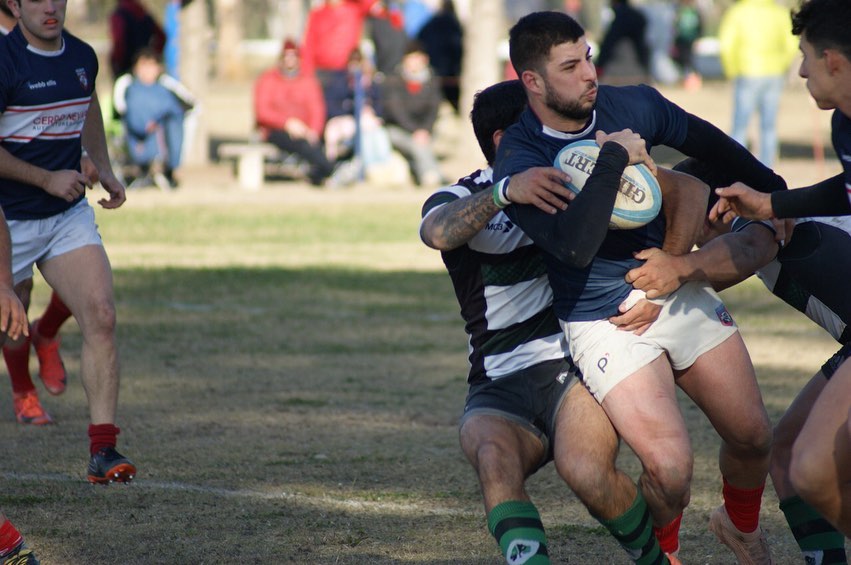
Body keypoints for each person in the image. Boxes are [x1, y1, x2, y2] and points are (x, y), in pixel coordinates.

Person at [494, 11, 789, 563]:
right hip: (605, 320)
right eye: (570, 65)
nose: (589, 73)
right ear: (532, 82)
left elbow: (711, 144)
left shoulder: (631, 105)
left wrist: (776, 198)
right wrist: (614, 158)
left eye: (587, 55)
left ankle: (740, 525)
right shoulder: (523, 156)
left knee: (753, 436)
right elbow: (573, 246)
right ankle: (666, 554)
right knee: (671, 469)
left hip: (671, 287)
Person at [421, 79, 710, 565]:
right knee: (493, 456)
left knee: (589, 473)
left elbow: (686, 191)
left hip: (572, 368)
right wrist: (506, 191)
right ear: (503, 140)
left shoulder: (586, 181)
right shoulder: (465, 194)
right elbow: (436, 231)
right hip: (497, 381)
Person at [629, 156, 850, 564]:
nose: (684, 235)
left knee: (796, 451)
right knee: (786, 449)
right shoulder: (781, 214)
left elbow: (740, 255)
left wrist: (671, 274)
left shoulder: (756, 227)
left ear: (718, 205)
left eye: (682, 214)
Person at [711, 0, 851, 538]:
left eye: (806, 57)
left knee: (811, 465)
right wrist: (775, 203)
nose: (799, 71)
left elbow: (737, 259)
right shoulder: (845, 122)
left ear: (834, 61)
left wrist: (676, 269)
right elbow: (847, 189)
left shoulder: (751, 242)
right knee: (797, 459)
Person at [0, 0, 136, 484]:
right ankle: (24, 383)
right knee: (10, 329)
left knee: (101, 313)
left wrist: (103, 165)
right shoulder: (4, 60)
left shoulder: (82, 56)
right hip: (8, 220)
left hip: (65, 215)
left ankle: (104, 450)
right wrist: (44, 179)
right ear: (14, 5)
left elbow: (88, 104)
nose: (49, 6)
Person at [0, 0, 74, 430]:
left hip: (58, 190)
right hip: (11, 199)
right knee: (16, 300)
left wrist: (85, 155)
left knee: (89, 286)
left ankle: (46, 331)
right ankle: (23, 392)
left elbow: (70, 101)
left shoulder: (55, 41)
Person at [718, 0, 799, 167]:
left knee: (740, 125)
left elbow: (726, 44)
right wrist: (782, 64)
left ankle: (735, 166)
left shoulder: (738, 12)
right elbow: (791, 44)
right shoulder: (779, 12)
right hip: (774, 73)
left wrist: (731, 70)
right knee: (769, 126)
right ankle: (766, 169)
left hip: (747, 71)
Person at [253, 39, 335, 187]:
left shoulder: (308, 81)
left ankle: (323, 171)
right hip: (276, 130)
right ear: (281, 58)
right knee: (301, 144)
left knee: (310, 143)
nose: (289, 60)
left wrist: (313, 130)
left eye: (293, 56)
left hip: (305, 131)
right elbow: (262, 112)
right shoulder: (268, 80)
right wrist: (287, 123)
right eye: (286, 56)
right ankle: (328, 169)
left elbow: (316, 109)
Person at [113, 47, 196, 190]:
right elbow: (130, 116)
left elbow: (188, 105)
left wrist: (159, 120)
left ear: (159, 68)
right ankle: (153, 170)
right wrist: (146, 124)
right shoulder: (131, 89)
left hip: (164, 137)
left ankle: (169, 168)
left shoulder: (165, 89)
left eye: (151, 66)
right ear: (135, 68)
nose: (147, 70)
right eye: (143, 66)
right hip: (139, 139)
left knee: (174, 122)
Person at [322, 49, 391, 185]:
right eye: (353, 62)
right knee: (334, 132)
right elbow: (332, 105)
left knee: (374, 132)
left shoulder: (372, 83)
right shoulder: (340, 81)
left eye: (359, 62)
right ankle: (329, 168)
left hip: (369, 124)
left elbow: (380, 107)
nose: (355, 66)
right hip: (345, 121)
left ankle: (375, 168)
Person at [380, 40, 445, 188]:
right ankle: (431, 175)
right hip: (398, 129)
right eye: (412, 58)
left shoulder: (431, 81)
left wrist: (425, 130)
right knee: (417, 144)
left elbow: (434, 109)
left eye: (418, 58)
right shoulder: (394, 81)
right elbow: (396, 112)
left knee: (420, 143)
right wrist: (415, 131)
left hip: (424, 131)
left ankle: (429, 174)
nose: (415, 62)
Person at [299, 0, 376, 110]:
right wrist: (307, 74)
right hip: (323, 73)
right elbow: (308, 45)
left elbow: (370, 3)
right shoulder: (318, 14)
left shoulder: (354, 10)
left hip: (347, 72)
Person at [416, 0, 463, 112]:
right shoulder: (454, 25)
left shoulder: (430, 23)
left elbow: (419, 39)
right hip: (450, 71)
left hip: (435, 69)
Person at [594, 0, 651, 86]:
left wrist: (599, 65)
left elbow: (609, 43)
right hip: (638, 66)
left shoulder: (620, 18)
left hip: (620, 68)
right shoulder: (638, 16)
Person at [109, 0, 166, 80]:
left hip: (127, 65)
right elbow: (161, 37)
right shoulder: (143, 13)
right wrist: (152, 57)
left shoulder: (120, 15)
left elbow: (119, 43)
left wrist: (116, 62)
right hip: (143, 65)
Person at [672, 0, 703, 90]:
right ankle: (685, 79)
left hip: (691, 39)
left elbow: (700, 25)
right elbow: (675, 26)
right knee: (682, 60)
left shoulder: (695, 12)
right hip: (681, 40)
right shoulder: (679, 12)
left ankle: (693, 81)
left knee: (690, 60)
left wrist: (698, 37)